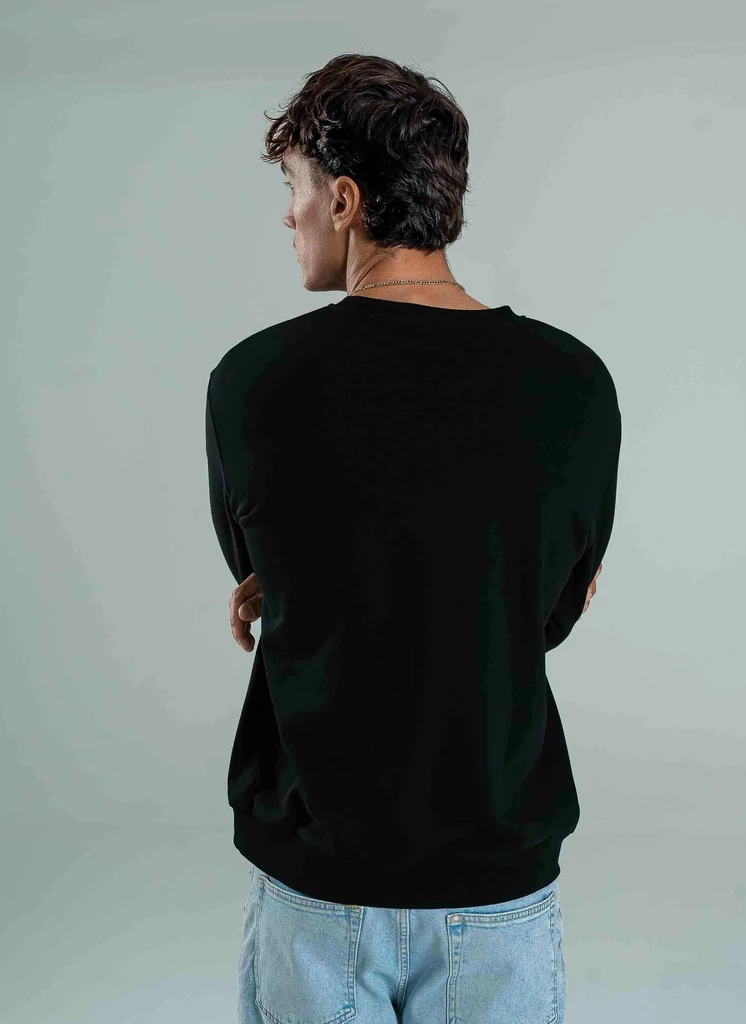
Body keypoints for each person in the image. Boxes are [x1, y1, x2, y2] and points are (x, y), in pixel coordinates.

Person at [205, 52, 621, 1024]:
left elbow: (269, 578)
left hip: (319, 879)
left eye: (295, 187)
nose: (289, 216)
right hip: (496, 877)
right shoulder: (574, 382)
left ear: (345, 200)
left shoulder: (255, 381)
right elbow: (549, 612)